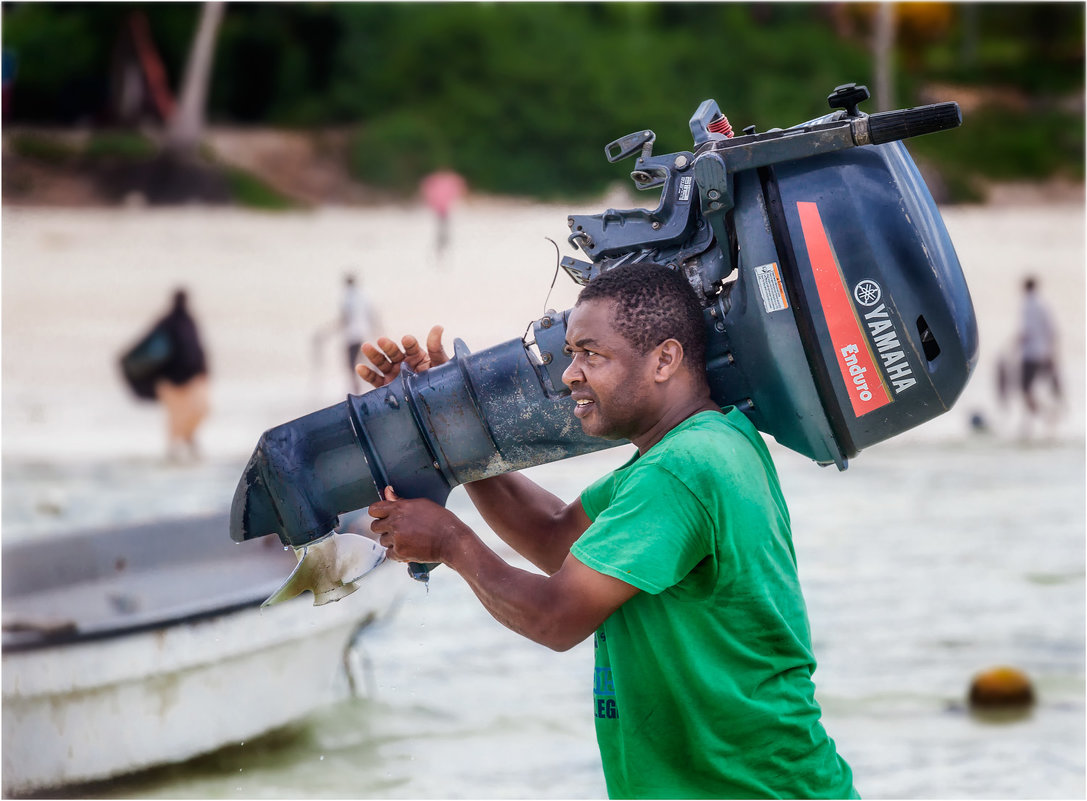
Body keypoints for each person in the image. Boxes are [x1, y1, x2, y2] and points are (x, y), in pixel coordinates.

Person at [360, 263, 857, 799]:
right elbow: (555, 536)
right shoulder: (703, 443)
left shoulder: (682, 468)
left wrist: (451, 543)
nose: (570, 373)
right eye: (571, 353)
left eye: (591, 354)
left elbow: (556, 618)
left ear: (665, 359)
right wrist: (443, 426)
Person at [151, 288, 209, 462]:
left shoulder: (180, 322)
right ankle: (175, 449)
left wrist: (203, 370)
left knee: (197, 411)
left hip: (186, 378)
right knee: (177, 416)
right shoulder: (172, 323)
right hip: (173, 380)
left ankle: (187, 440)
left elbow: (196, 349)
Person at [1017, 276, 1062, 425]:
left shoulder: (1028, 305)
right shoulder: (1043, 304)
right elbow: (1051, 329)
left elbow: (1027, 331)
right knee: (1039, 387)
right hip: (1043, 352)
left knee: (1026, 390)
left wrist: (1016, 343)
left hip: (1030, 353)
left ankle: (1043, 414)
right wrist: (1051, 351)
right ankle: (1043, 416)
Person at [341, 273, 377, 393]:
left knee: (352, 364)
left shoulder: (347, 298)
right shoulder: (364, 296)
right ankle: (373, 386)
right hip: (363, 333)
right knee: (368, 361)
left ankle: (356, 390)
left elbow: (345, 318)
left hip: (352, 336)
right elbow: (372, 315)